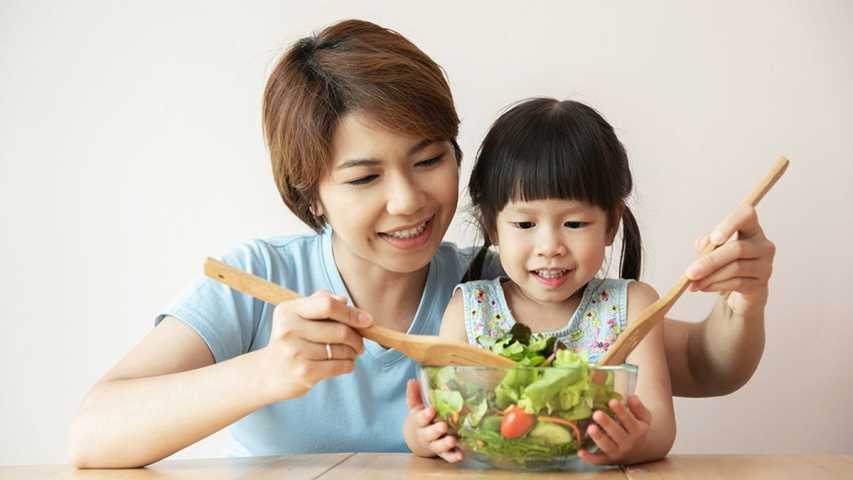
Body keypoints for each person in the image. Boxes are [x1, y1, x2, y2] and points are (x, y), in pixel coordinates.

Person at [68, 19, 775, 468]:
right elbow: (93, 434)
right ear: (309, 190)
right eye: (364, 175)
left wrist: (741, 297)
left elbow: (700, 366)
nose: (408, 200)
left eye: (429, 158)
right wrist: (268, 373)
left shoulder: (508, 284)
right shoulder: (260, 279)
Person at [404, 98, 675, 465]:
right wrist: (423, 435)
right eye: (525, 224)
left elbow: (659, 429)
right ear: (491, 225)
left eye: (575, 224)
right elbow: (438, 412)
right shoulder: (469, 309)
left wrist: (633, 444)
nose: (550, 247)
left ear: (611, 224)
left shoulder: (632, 307)